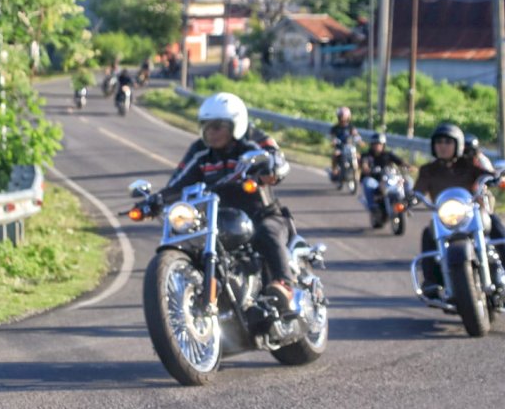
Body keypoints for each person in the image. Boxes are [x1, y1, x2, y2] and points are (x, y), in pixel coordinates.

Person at [153, 92, 295, 311]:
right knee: (194, 244)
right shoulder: (201, 151)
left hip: (261, 214)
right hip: (218, 220)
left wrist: (271, 169)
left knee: (266, 232)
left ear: (235, 125)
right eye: (206, 126)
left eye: (217, 126)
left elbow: (277, 159)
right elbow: (178, 182)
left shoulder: (253, 140)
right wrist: (156, 200)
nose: (211, 133)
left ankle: (283, 285)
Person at [413, 123, 505, 298]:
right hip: (445, 218)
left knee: (493, 220)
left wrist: (497, 179)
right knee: (428, 233)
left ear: (458, 145)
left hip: (470, 214)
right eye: (439, 142)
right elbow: (418, 189)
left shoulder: (468, 165)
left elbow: (486, 175)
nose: (443, 146)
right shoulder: (428, 170)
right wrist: (410, 197)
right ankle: (431, 281)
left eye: (448, 142)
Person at [359, 132, 413, 221]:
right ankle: (373, 207)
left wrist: (408, 167)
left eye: (379, 144)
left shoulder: (388, 154)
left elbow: (400, 161)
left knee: (408, 181)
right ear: (371, 145)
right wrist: (366, 168)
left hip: (389, 179)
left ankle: (407, 202)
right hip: (375, 180)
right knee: (367, 182)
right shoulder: (367, 155)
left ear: (383, 145)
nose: (377, 146)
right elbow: (364, 163)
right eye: (375, 144)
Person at [330, 106, 361, 181]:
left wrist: (359, 141)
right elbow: (332, 137)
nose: (342, 119)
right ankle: (334, 170)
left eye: (344, 117)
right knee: (335, 154)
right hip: (340, 148)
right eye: (341, 117)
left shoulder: (351, 127)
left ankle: (358, 173)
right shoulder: (335, 128)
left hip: (350, 147)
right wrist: (334, 141)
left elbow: (356, 135)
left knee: (359, 157)